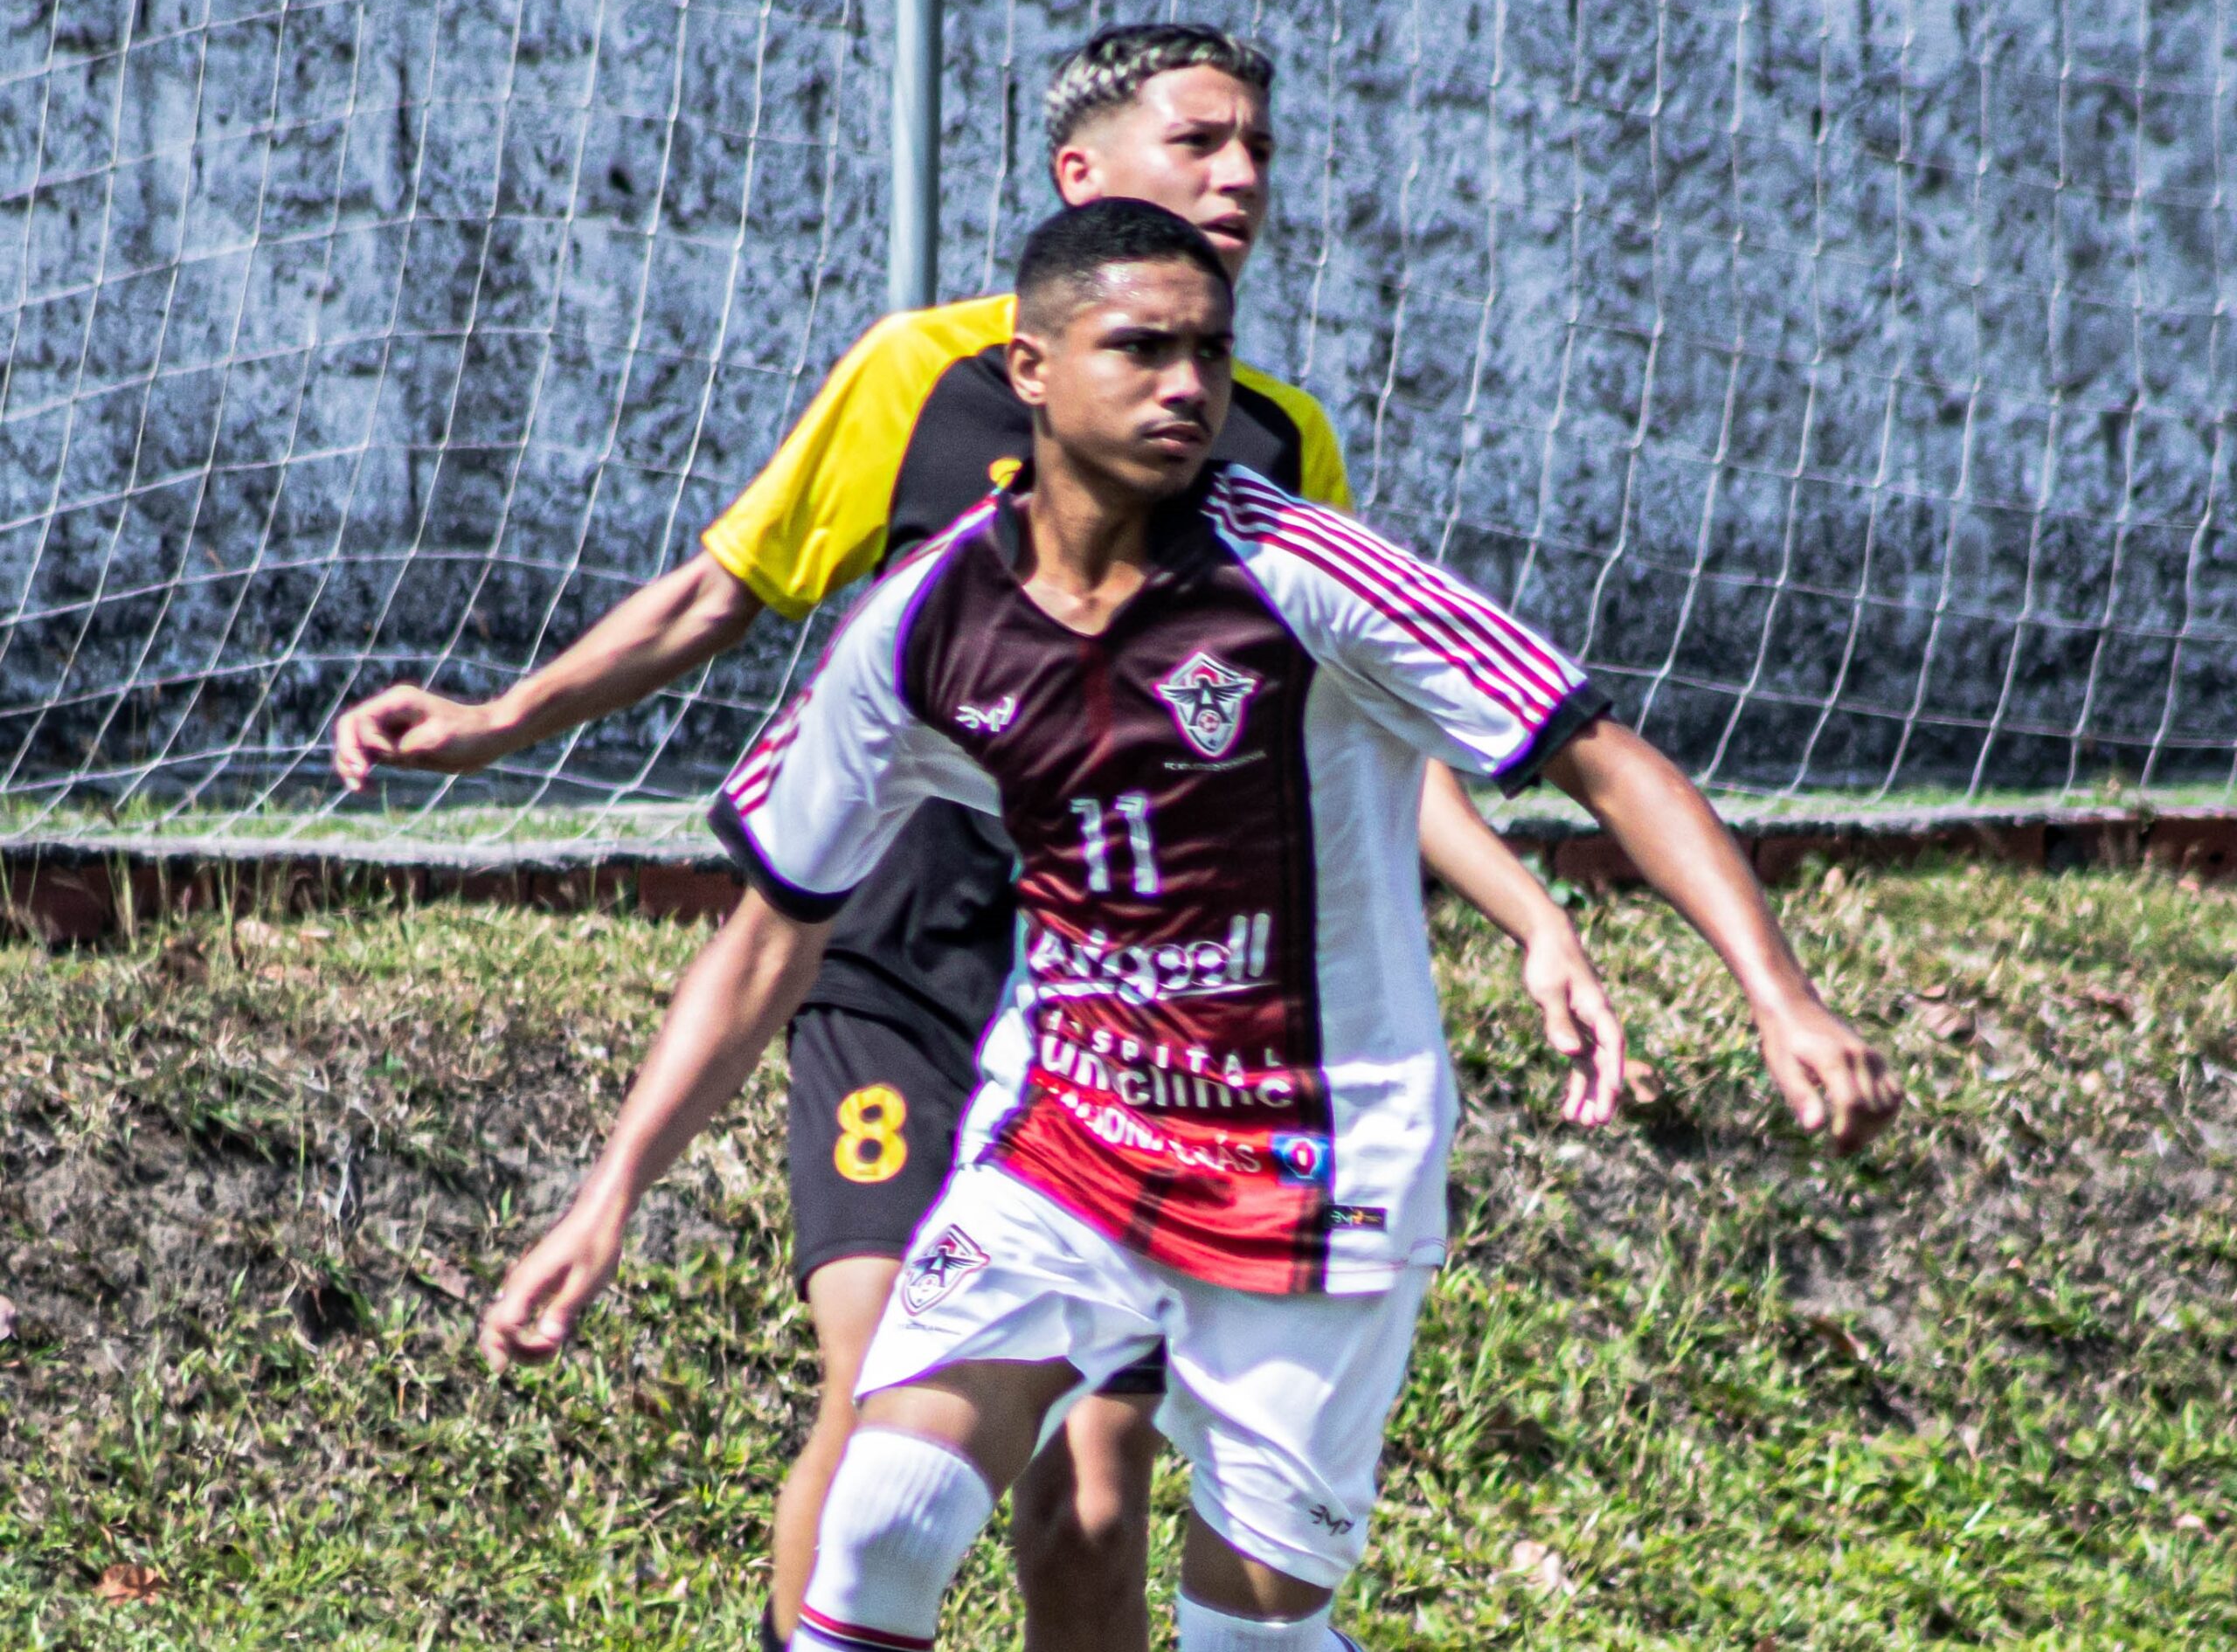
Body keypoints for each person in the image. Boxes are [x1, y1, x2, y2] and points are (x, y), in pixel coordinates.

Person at [333, 24, 1626, 1651]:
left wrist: (1525, 912)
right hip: (899, 972)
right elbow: (726, 590)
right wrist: (502, 720)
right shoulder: (919, 374)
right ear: (1080, 182)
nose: (1239, 178)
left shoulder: (1270, 444)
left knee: (1093, 1489)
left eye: (1257, 153)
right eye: (1200, 142)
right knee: (884, 1421)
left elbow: (1344, 731)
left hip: (1143, 1043)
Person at [478, 200, 1903, 1651]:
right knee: (886, 1510)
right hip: (1069, 1137)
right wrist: (607, 1200)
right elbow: (772, 928)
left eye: (1210, 353)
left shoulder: (1306, 571)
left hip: (1315, 1162)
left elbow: (1599, 750)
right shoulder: (926, 618)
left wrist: (1779, 994)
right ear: (1028, 369)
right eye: (1141, 347)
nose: (1187, 386)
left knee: (1253, 1641)